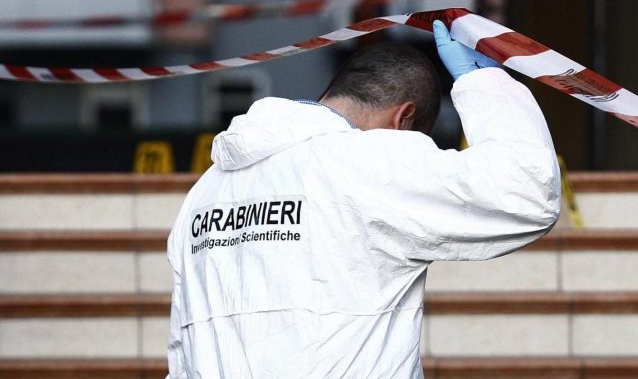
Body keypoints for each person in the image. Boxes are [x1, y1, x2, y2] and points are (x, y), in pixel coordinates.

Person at [166, 20, 561, 379]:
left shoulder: (207, 189)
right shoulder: (370, 162)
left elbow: (182, 354)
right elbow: (526, 193)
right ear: (402, 120)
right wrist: (486, 85)